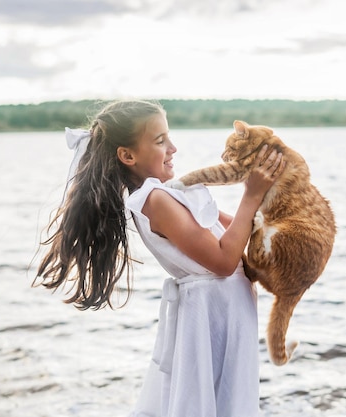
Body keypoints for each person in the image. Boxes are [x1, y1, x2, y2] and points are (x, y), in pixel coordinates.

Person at [35, 100, 284, 417]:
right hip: (211, 315)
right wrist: (251, 194)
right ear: (127, 156)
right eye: (160, 141)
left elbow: (235, 228)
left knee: (228, 400)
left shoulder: (170, 193)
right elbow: (223, 262)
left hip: (224, 312)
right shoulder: (154, 200)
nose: (173, 148)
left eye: (170, 137)